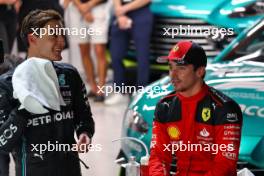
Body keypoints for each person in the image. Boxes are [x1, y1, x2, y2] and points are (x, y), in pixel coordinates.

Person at [0, 9, 95, 176]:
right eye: (53, 36)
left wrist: (84, 134)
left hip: (70, 168)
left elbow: (84, 117)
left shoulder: (69, 74)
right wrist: (25, 108)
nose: (61, 42)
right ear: (32, 38)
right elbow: (3, 143)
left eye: (62, 35)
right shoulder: (9, 84)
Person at [149, 41, 243, 176]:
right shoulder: (164, 106)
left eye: (181, 68)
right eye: (171, 67)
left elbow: (224, 165)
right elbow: (158, 156)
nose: (173, 75)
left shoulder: (225, 109)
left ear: (200, 71)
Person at [105, 0, 153, 105]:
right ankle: (119, 90)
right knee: (115, 54)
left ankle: (140, 91)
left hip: (141, 12)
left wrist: (124, 9)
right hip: (121, 12)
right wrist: (119, 12)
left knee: (142, 56)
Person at [64, 0, 110, 102]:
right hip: (77, 9)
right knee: (83, 50)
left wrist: (88, 5)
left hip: (98, 8)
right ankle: (93, 87)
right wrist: (81, 7)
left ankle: (101, 90)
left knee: (99, 50)